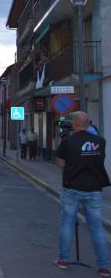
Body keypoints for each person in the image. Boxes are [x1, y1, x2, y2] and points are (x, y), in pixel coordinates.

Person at [54, 111, 111, 276]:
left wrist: (71, 164)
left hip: (72, 187)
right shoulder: (100, 142)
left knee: (67, 224)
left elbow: (60, 162)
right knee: (97, 229)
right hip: (94, 189)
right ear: (88, 124)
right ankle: (104, 266)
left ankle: (63, 259)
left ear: (75, 124)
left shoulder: (68, 141)